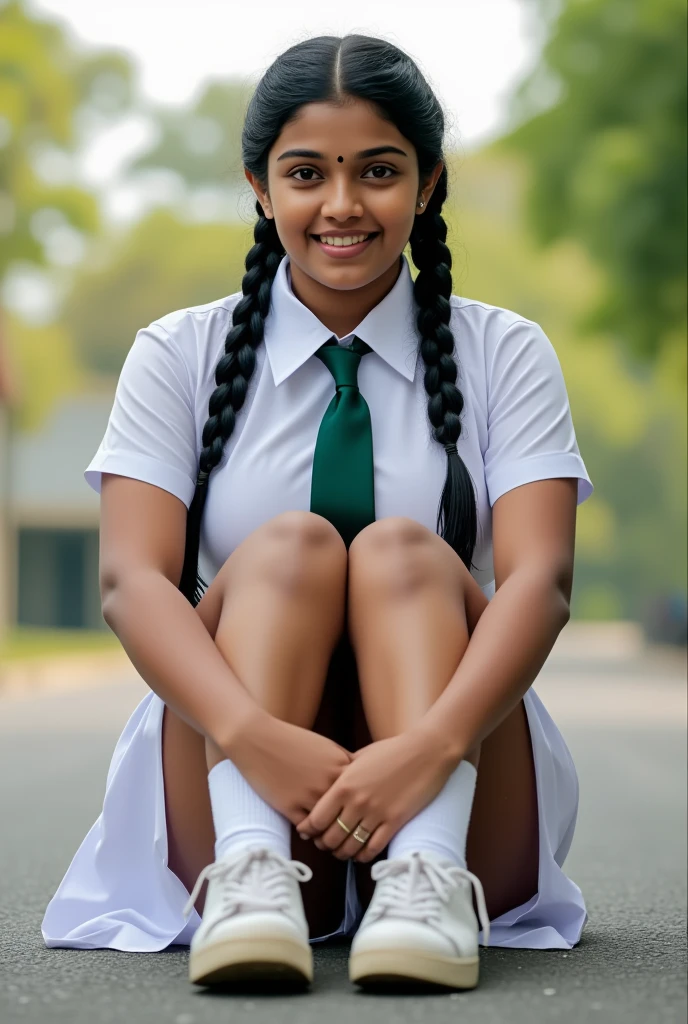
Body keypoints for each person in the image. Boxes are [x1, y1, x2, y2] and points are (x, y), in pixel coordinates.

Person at [41, 32, 593, 993]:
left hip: (456, 767)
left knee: (401, 554)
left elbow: (540, 580)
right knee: (289, 546)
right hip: (230, 764)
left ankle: (424, 875)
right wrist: (256, 740)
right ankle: (250, 877)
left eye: (378, 171)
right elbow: (132, 581)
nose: (342, 205)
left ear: (427, 187)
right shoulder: (179, 354)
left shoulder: (506, 352)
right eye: (307, 173)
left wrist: (427, 748)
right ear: (260, 186)